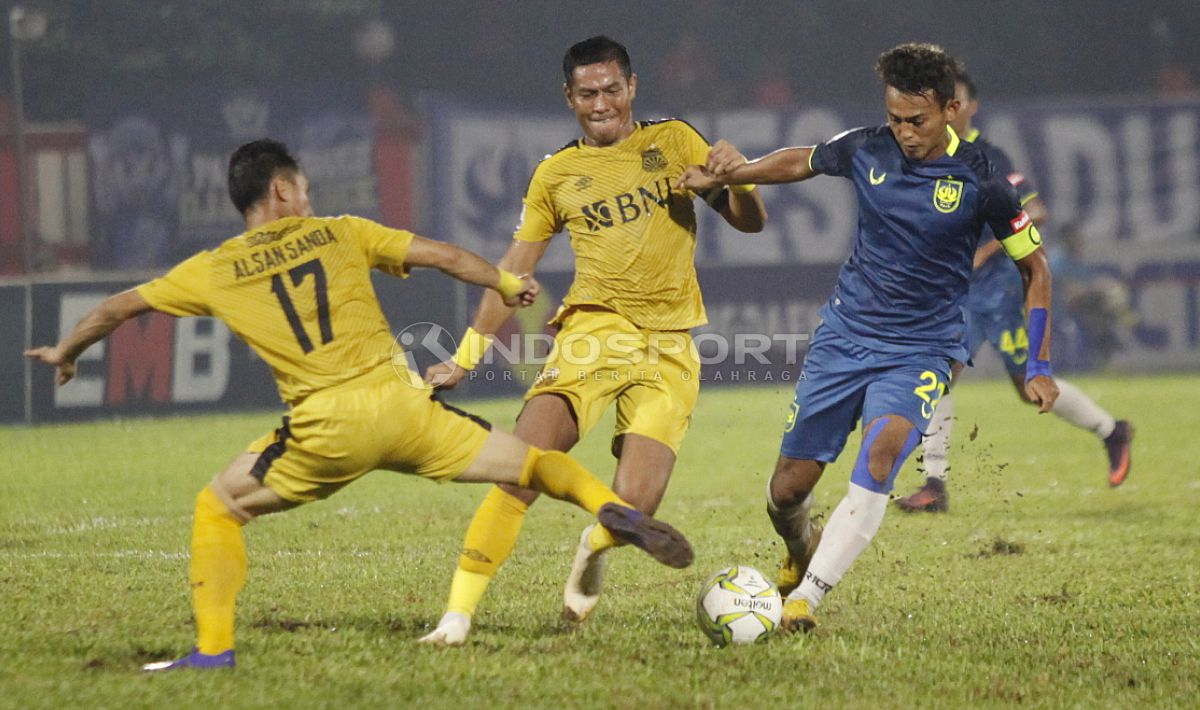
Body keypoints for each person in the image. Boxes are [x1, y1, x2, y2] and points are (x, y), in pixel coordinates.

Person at [24, 139, 694, 671]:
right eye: (305, 190)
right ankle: (607, 509)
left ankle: (213, 650)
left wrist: (67, 354)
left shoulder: (214, 267)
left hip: (324, 430)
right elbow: (440, 255)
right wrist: (504, 280)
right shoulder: (339, 231)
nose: (308, 200)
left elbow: (115, 307)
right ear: (283, 190)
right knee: (532, 466)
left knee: (217, 507)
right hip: (406, 411)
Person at [678, 43, 1058, 632]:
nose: (904, 133)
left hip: (923, 349)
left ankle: (807, 599)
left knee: (880, 455)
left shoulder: (983, 179)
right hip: (845, 338)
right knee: (785, 493)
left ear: (951, 109)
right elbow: (804, 159)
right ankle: (800, 550)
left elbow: (1035, 269)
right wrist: (737, 172)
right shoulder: (868, 146)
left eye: (918, 120)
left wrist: (1038, 363)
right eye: (896, 119)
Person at [419, 35, 767, 646]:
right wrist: (464, 357)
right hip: (592, 335)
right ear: (569, 97)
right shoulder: (556, 174)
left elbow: (749, 222)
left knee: (634, 510)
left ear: (632, 87)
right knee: (519, 468)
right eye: (587, 93)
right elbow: (512, 270)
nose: (601, 103)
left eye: (611, 89)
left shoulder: (675, 141)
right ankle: (456, 616)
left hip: (670, 348)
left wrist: (738, 181)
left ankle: (593, 547)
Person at [895, 69, 1134, 513]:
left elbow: (1036, 212)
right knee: (937, 373)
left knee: (1026, 387)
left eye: (958, 101)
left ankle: (1111, 429)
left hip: (999, 291)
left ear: (969, 107)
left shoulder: (988, 156)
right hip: (959, 294)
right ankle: (934, 484)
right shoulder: (927, 158)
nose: (951, 109)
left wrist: (985, 253)